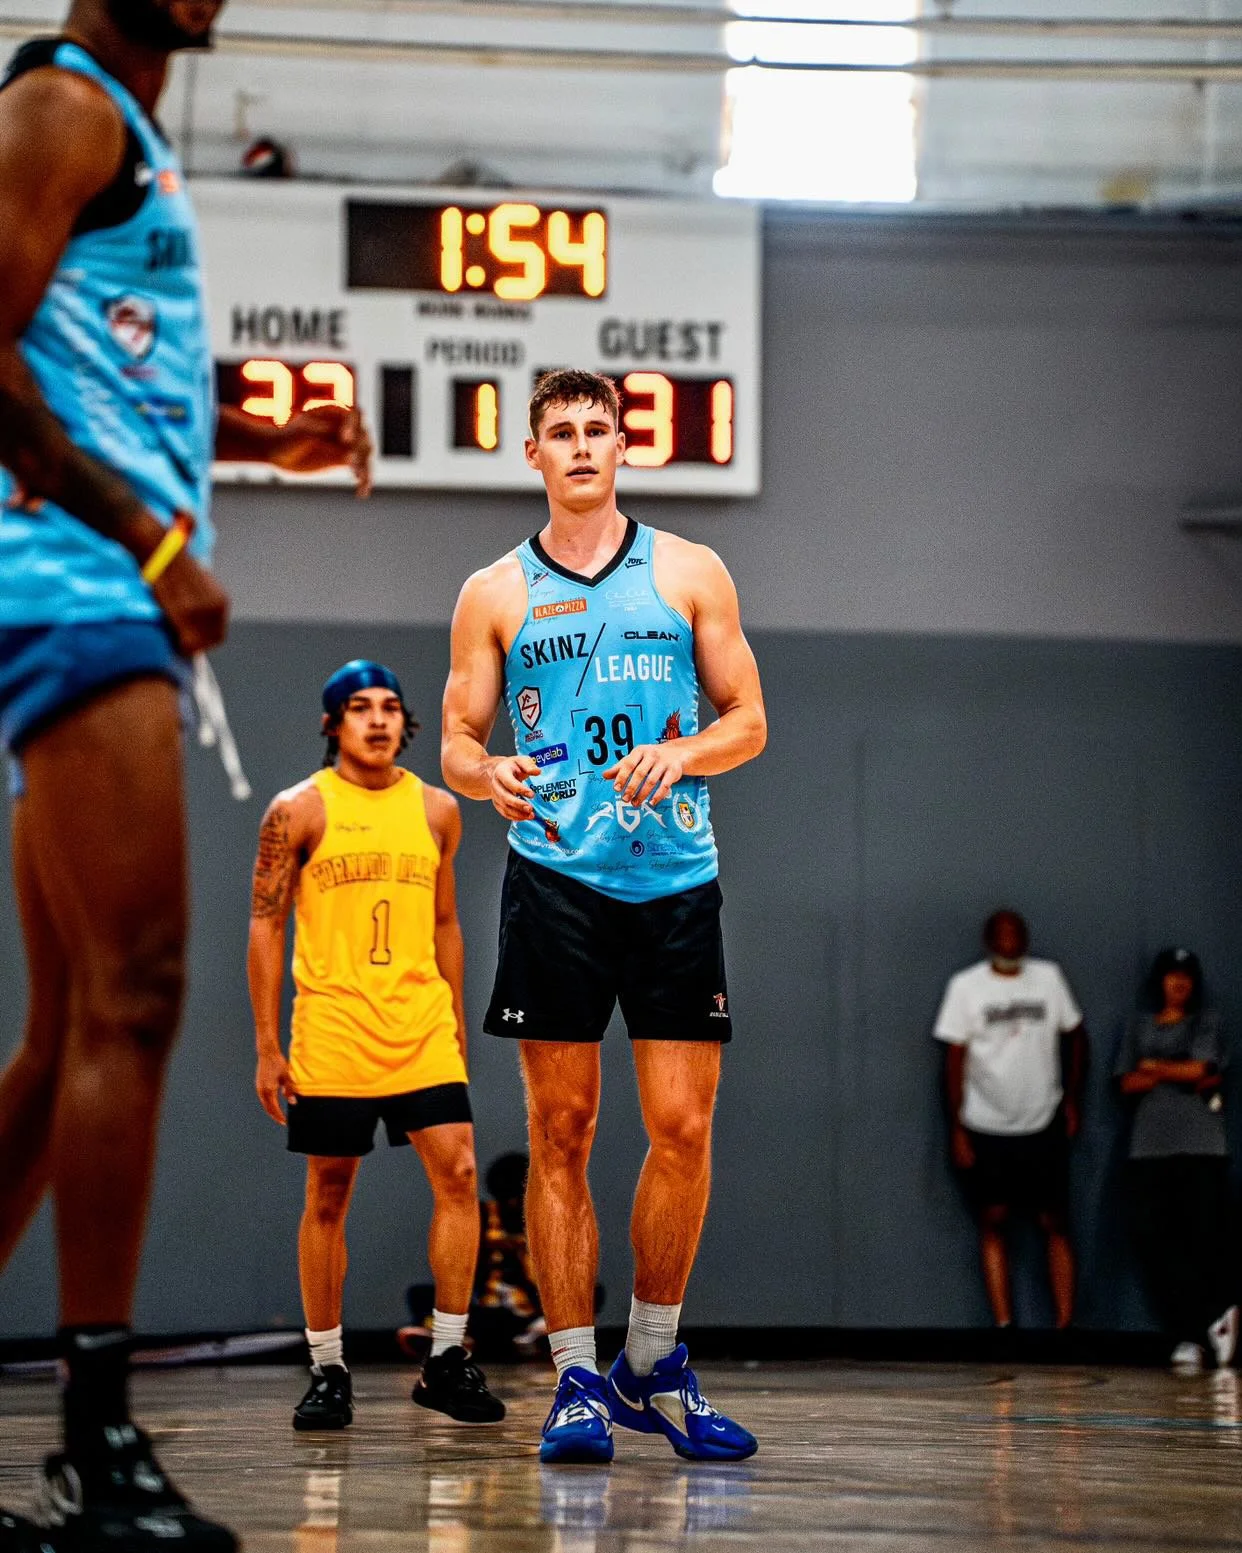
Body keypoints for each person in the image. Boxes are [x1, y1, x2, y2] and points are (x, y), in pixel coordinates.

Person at [0, 4, 371, 1547]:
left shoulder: (124, 134)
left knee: (69, 1031)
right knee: (144, 994)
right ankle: (96, 1439)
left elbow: (96, 370)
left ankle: (88, 1430)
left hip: (88, 589)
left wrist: (251, 442)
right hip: (78, 593)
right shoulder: (60, 110)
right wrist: (156, 542)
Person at [442, 367, 766, 1464]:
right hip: (555, 882)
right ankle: (577, 1372)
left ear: (623, 447)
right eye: (560, 432)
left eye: (597, 429)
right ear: (532, 454)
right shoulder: (493, 589)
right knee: (561, 1130)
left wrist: (686, 747)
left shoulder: (689, 569)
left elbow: (751, 718)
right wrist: (486, 771)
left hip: (673, 877)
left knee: (681, 1127)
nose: (581, 445)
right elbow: (455, 736)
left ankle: (656, 1359)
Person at [248, 661, 504, 1432]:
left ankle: (448, 1357)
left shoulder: (436, 809)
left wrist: (456, 1015)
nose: (379, 719)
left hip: (420, 1023)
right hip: (332, 1027)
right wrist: (266, 1042)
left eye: (391, 707)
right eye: (359, 708)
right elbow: (266, 923)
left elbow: (448, 922)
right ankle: (327, 1368)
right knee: (328, 1192)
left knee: (460, 1171)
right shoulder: (297, 811)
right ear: (334, 724)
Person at [934, 909, 1087, 1332]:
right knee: (994, 1218)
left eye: (1016, 932)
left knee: (1054, 1220)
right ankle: (1004, 1324)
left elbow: (1076, 1036)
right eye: (1001, 934)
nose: (1009, 940)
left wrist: (1072, 1100)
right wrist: (958, 1127)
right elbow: (954, 1059)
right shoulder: (966, 987)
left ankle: (1064, 1327)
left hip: (1043, 1118)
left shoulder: (1049, 978)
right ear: (988, 941)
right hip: (987, 1123)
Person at [1115, 947, 1238, 1370]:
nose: (1179, 983)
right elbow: (1127, 1082)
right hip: (1149, 1147)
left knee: (1203, 1239)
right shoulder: (1138, 1025)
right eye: (1171, 976)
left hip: (1201, 1144)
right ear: (1160, 982)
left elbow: (1203, 1070)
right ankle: (1196, 1328)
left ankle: (1212, 1323)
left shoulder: (1207, 1022)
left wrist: (1156, 1067)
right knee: (1153, 1238)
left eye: (1186, 976)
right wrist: (1175, 1069)